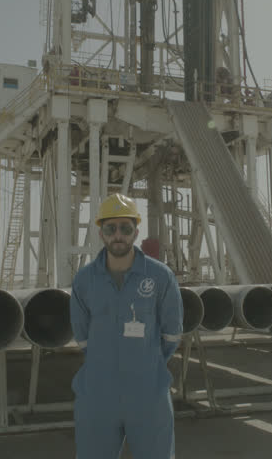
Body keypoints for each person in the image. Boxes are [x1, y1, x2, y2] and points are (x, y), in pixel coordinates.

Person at [70, 193, 183, 459]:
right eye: (110, 228)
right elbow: (82, 334)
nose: (118, 235)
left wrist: (145, 362)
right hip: (98, 396)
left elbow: (172, 333)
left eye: (125, 228)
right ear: (101, 233)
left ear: (136, 231)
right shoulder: (84, 280)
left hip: (148, 395)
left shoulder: (160, 276)